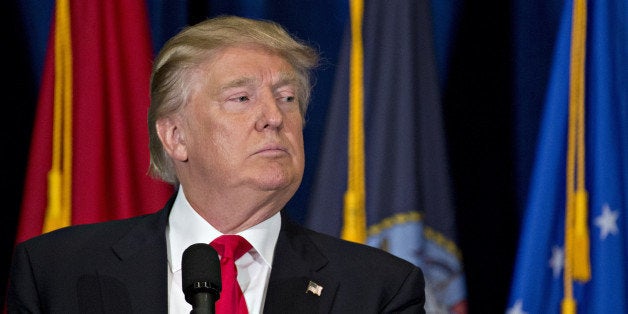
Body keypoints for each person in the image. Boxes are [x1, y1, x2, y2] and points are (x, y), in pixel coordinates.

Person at [7, 15, 426, 313]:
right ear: (175, 136)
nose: (274, 117)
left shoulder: (378, 289)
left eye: (287, 98)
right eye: (241, 98)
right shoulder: (55, 272)